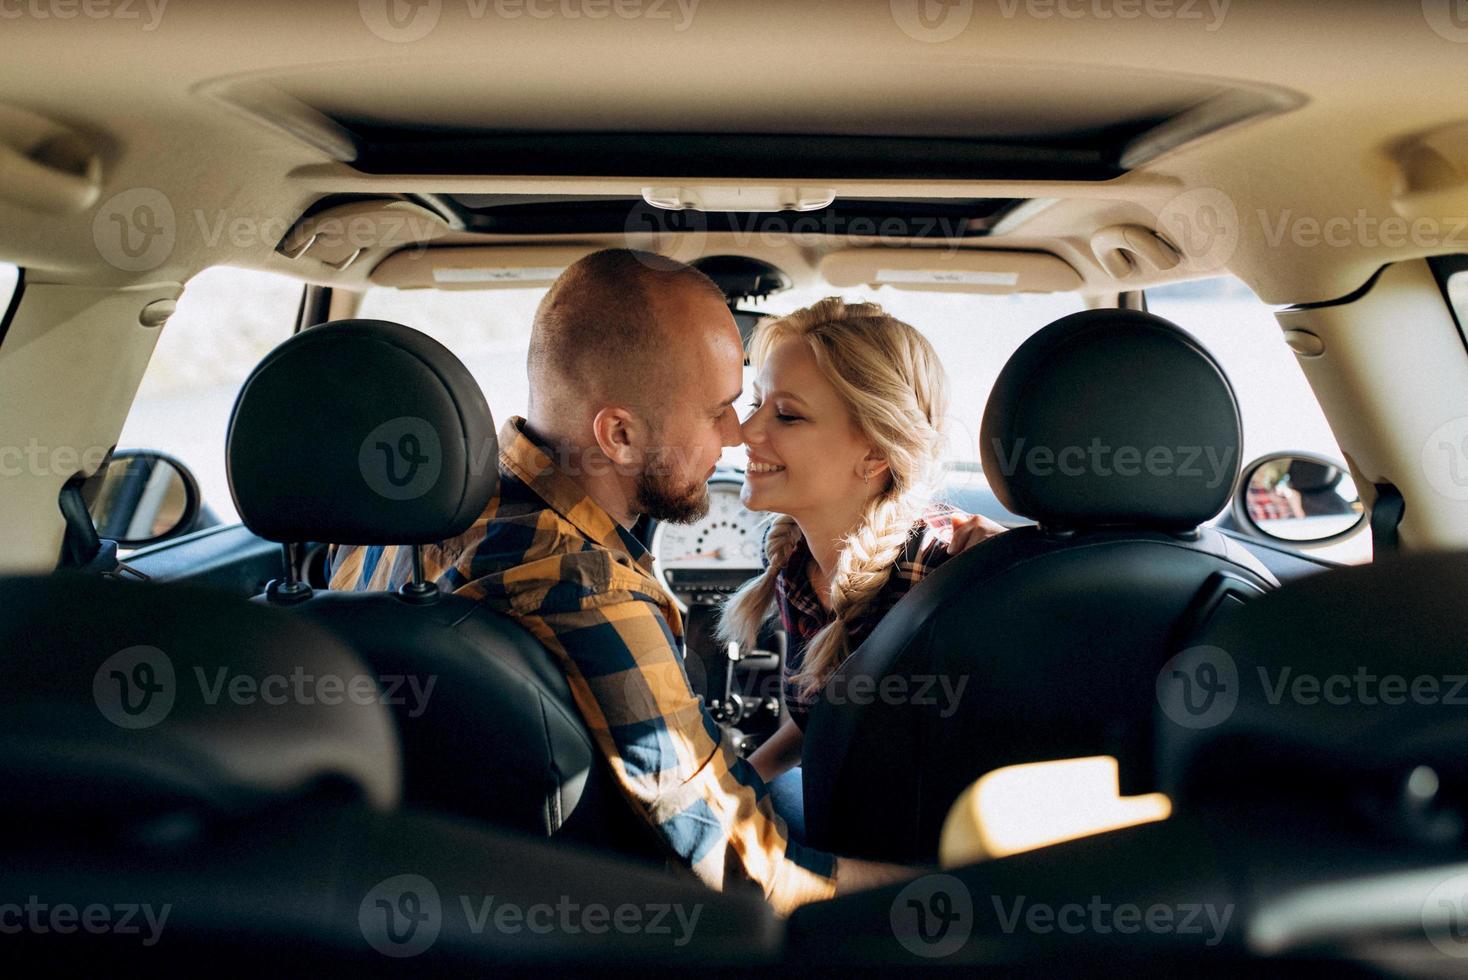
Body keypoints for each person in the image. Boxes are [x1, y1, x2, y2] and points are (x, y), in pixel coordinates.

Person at [329, 249, 913, 915]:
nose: (735, 435)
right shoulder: (585, 587)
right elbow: (752, 874)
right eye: (719, 409)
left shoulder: (383, 532)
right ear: (621, 435)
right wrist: (968, 893)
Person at [717, 298, 1005, 837]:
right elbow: (822, 718)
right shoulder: (791, 560)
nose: (744, 432)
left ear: (875, 453)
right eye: (756, 404)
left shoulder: (952, 567)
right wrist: (741, 777)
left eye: (786, 414)